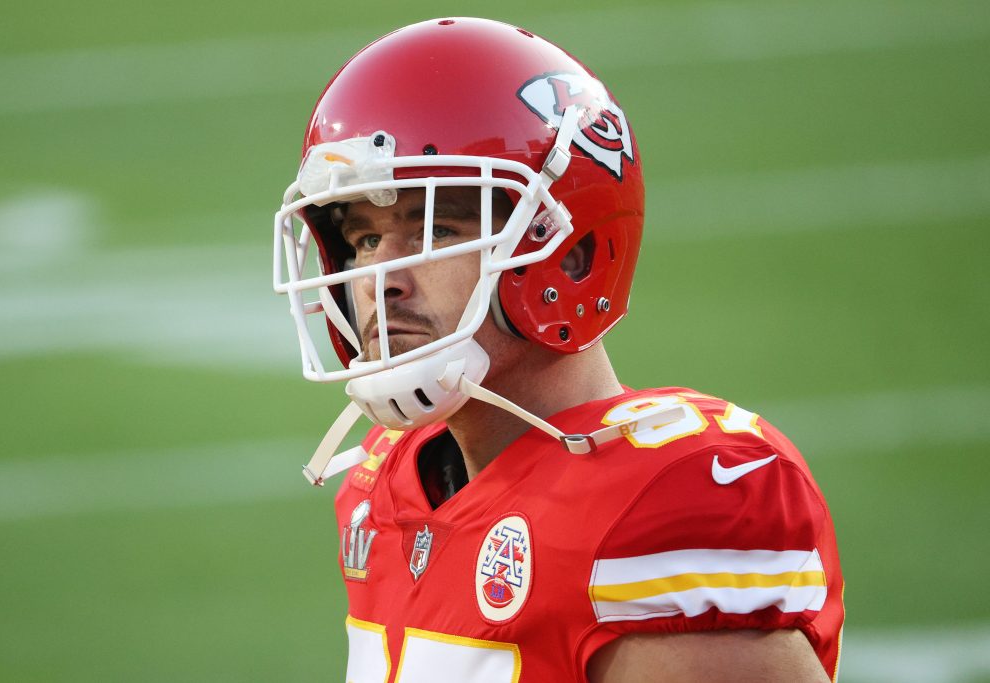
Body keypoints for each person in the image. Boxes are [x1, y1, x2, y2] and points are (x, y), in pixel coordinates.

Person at [272, 17, 844, 683]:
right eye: (365, 239)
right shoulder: (385, 483)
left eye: (432, 229)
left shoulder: (665, 506)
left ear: (569, 254)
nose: (380, 278)